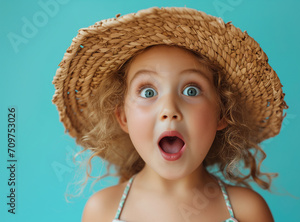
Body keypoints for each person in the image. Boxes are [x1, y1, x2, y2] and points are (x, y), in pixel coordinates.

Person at [52, 7, 287, 222]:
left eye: (191, 90)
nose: (169, 110)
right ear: (123, 117)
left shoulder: (246, 210)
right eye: (148, 92)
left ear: (222, 113)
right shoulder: (102, 210)